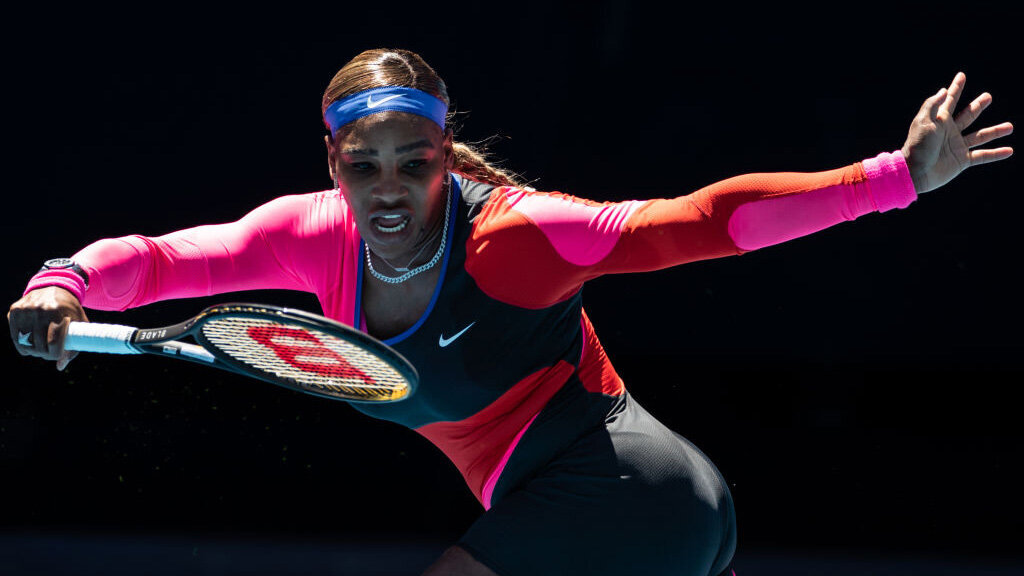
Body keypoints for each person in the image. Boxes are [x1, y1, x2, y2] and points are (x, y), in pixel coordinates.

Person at [7, 48, 1013, 576]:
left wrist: (894, 179)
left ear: (445, 156)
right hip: (610, 519)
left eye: (414, 163)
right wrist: (64, 283)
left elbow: (698, 222)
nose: (389, 190)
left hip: (626, 493)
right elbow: (160, 261)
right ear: (332, 163)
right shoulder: (307, 236)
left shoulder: (515, 240)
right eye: (364, 166)